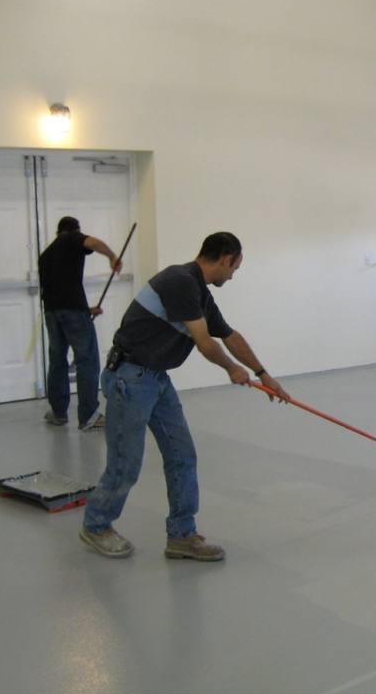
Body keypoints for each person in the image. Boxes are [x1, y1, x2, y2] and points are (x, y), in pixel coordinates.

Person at [80, 231, 290, 562]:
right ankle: (96, 525)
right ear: (225, 259)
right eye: (235, 268)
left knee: (182, 456)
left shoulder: (199, 292)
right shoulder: (179, 281)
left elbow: (229, 335)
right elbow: (205, 343)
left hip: (156, 378)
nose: (233, 276)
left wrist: (264, 374)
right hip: (129, 378)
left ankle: (181, 534)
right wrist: (231, 369)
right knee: (126, 463)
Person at [38, 216, 122, 432]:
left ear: (57, 232)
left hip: (52, 313)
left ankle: (58, 413)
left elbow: (59, 289)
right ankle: (88, 416)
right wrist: (112, 256)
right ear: (75, 230)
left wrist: (86, 310)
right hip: (73, 312)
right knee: (87, 361)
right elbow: (93, 242)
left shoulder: (46, 255)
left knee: (57, 361)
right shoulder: (71, 239)